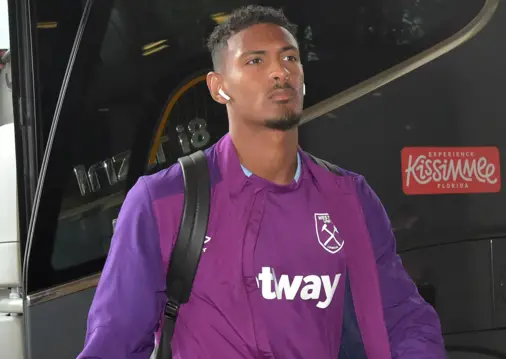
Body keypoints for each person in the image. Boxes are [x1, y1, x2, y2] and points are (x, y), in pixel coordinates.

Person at [77, 5, 445, 359]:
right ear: (219, 87)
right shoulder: (164, 201)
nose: (279, 72)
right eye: (256, 61)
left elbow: (401, 317)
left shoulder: (349, 197)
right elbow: (114, 342)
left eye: (289, 58)